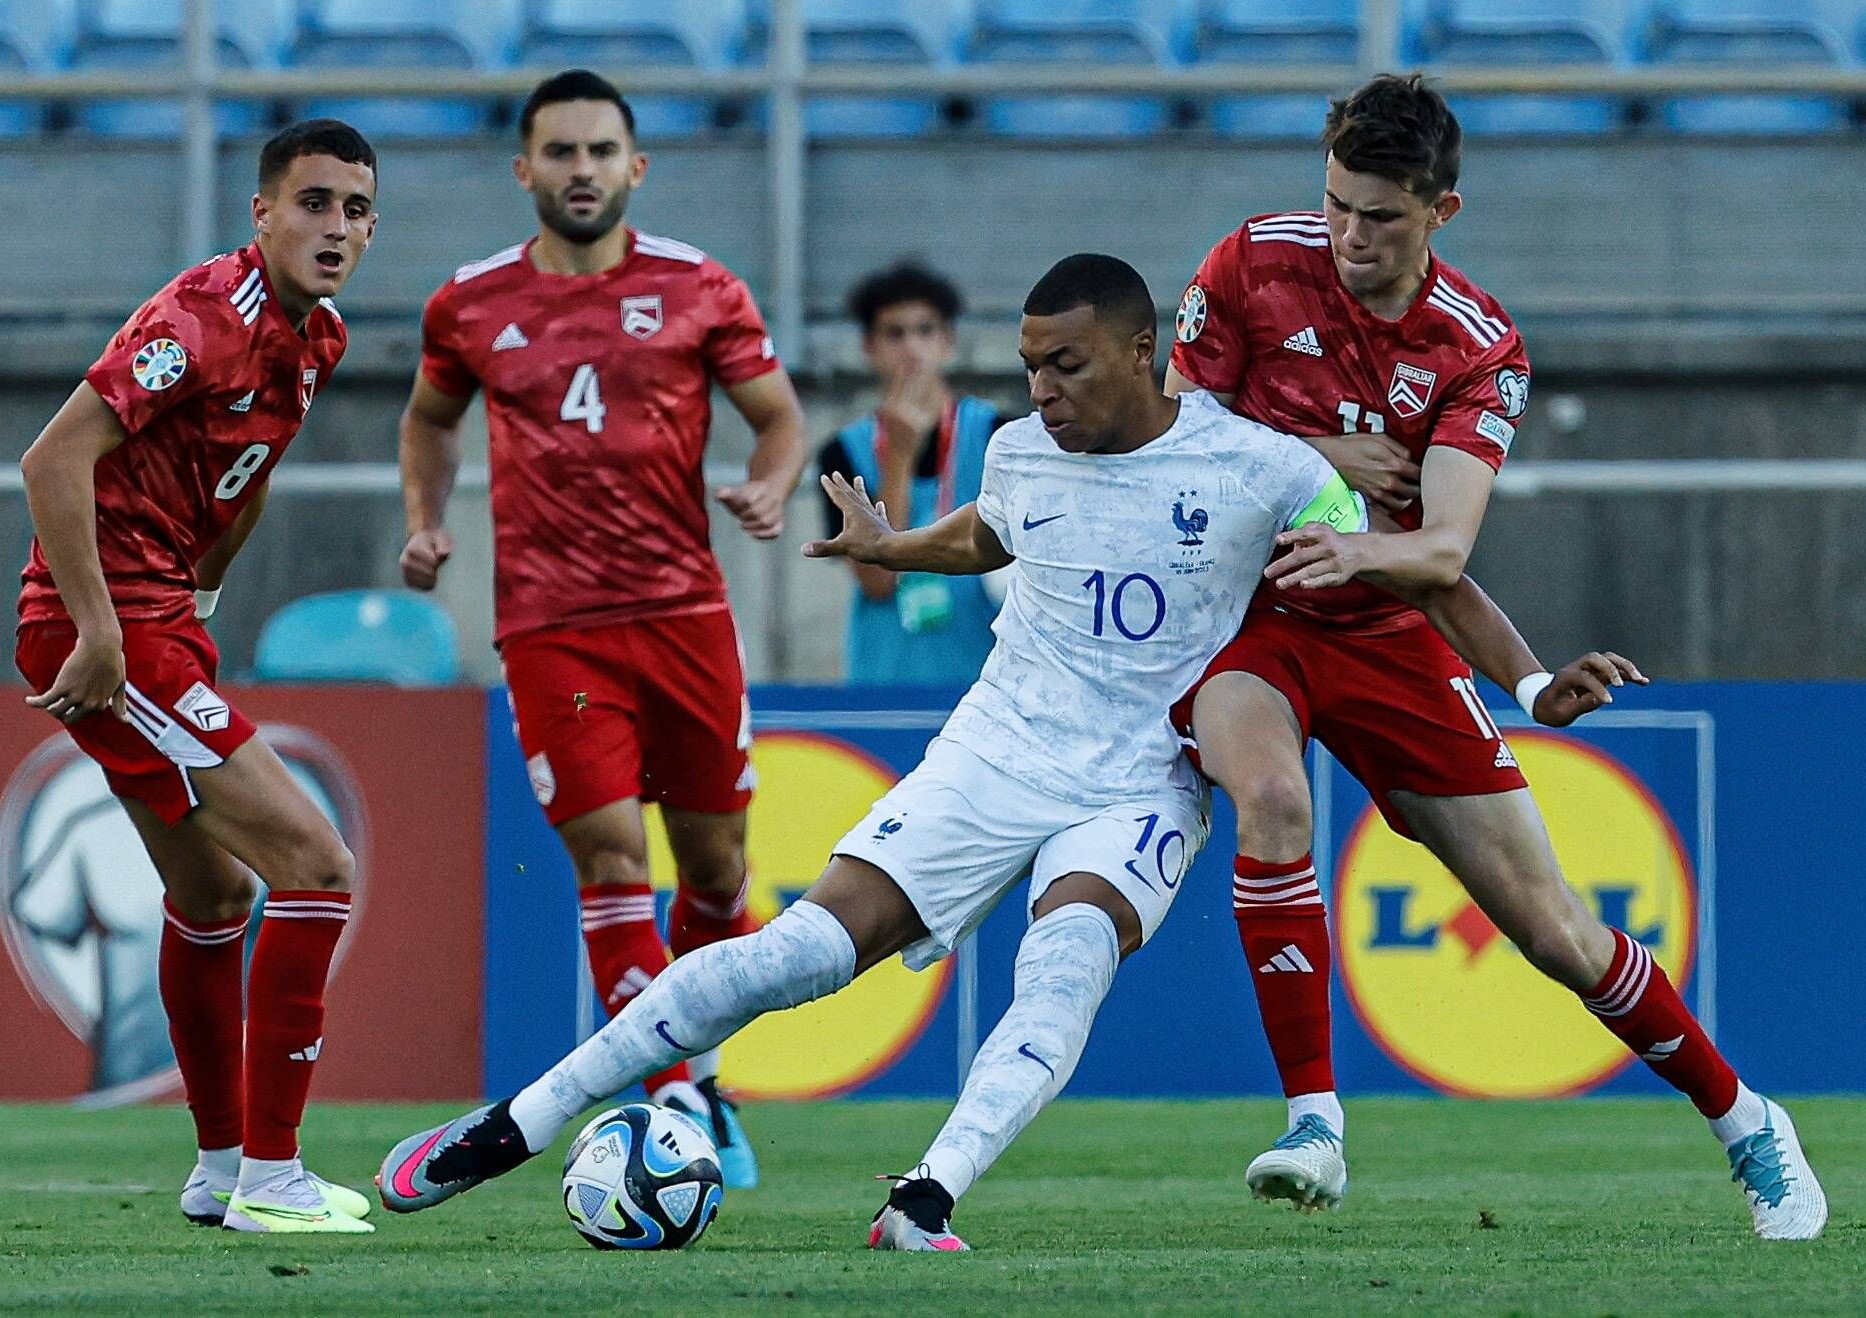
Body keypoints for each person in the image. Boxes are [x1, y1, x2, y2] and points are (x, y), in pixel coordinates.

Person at [373, 253, 1371, 1244]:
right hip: (997, 749)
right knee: (791, 953)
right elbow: (994, 533)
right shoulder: (1022, 449)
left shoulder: (1257, 465)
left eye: (1066, 363)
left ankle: (924, 1197)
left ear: (1139, 351)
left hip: (1143, 783)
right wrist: (893, 545)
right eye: (1030, 365)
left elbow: (1363, 550)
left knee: (1065, 962)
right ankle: (517, 1122)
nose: (1042, 389)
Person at [1167, 73, 1824, 1240]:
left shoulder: (1478, 346)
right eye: (1335, 206)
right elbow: (1165, 434)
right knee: (1270, 798)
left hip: (1384, 633)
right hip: (1245, 618)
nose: (1349, 238)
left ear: (1441, 213)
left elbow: (1445, 546)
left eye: (1380, 217)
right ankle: (1315, 1123)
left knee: (1557, 932)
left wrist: (1525, 682)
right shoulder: (1249, 264)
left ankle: (1747, 1120)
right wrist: (1323, 450)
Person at [395, 70, 808, 1187]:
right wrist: (426, 523)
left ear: (637, 165)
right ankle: (676, 1093)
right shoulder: (469, 303)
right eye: (561, 152)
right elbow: (429, 417)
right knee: (615, 862)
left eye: (600, 151)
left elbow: (779, 420)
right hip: (552, 625)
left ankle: (699, 1062)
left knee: (717, 870)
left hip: (684, 615)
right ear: (524, 168)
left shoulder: (699, 288)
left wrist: (771, 487)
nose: (582, 170)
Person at [14, 120, 381, 1234]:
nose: (336, 229)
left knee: (214, 895)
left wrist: (202, 594)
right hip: (111, 625)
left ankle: (221, 1168)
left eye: (356, 210)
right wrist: (102, 629)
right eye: (313, 203)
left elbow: (247, 472)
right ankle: (275, 1174)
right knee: (317, 860)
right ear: (262, 211)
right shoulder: (199, 320)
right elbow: (52, 457)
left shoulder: (317, 341)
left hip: (163, 615)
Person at [817, 263, 1012, 683]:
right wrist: (899, 460)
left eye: (925, 330)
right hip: (884, 682)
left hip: (986, 682)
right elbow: (878, 583)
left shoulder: (1000, 435)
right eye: (895, 333)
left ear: (948, 341)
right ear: (869, 346)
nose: (911, 348)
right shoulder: (842, 453)